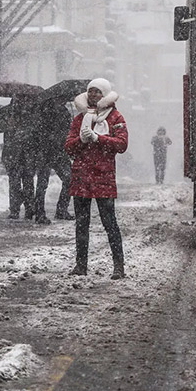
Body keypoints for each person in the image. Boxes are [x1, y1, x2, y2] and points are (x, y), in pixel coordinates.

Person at [65, 78, 129, 279]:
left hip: (103, 177)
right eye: (90, 91)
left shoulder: (115, 117)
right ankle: (80, 265)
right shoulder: (79, 119)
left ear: (105, 95)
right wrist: (81, 140)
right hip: (81, 177)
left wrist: (98, 138)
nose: (93, 95)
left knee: (110, 223)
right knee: (81, 224)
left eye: (97, 92)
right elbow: (68, 147)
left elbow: (122, 144)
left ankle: (118, 267)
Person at [0, 99, 39, 220]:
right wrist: (8, 124)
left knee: (28, 182)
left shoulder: (31, 112)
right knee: (15, 182)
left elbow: (37, 131)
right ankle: (15, 209)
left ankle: (29, 208)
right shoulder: (6, 111)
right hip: (12, 153)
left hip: (27, 153)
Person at [33, 101, 74, 221]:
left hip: (56, 152)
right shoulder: (43, 111)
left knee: (69, 179)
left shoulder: (63, 112)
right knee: (43, 183)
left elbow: (66, 132)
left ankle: (57, 210)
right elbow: (37, 132)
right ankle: (42, 213)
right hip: (48, 151)